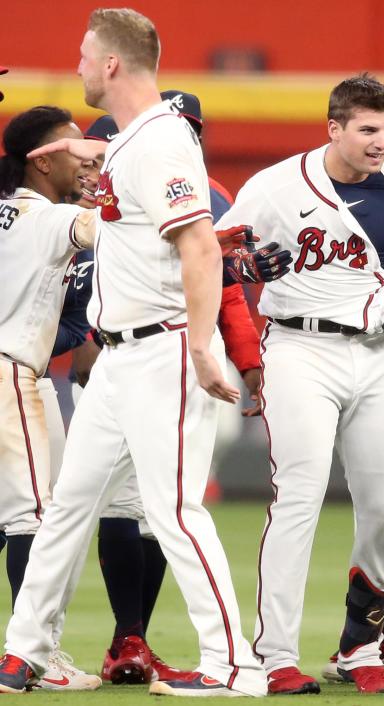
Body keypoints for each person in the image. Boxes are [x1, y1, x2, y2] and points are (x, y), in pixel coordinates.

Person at [0, 9, 268, 696]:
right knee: (66, 508)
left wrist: (204, 347)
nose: (81, 65)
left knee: (176, 511)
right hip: (119, 357)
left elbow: (199, 243)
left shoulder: (159, 142)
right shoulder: (130, 142)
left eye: (87, 55)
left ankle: (233, 665)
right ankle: (23, 649)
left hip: (162, 349)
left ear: (113, 64)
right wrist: (93, 154)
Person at [216, 74, 384, 695]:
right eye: (368, 129)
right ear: (334, 128)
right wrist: (241, 265)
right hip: (300, 347)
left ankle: (363, 642)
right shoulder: (277, 185)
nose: (381, 142)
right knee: (300, 496)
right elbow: (212, 252)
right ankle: (276, 655)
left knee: (383, 507)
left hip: (380, 355)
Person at [77, 104, 289, 686]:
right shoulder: (104, 180)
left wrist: (247, 362)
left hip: (170, 355)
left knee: (161, 507)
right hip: (104, 352)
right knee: (96, 506)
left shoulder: (210, 194)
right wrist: (86, 341)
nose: (185, 138)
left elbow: (221, 288)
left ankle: (136, 638)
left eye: (193, 130)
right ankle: (111, 638)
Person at [0, 105, 100, 692]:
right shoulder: (49, 217)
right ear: (41, 159)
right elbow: (111, 229)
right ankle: (32, 655)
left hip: (16, 367)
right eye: (76, 148)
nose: (85, 157)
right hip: (11, 372)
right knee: (33, 516)